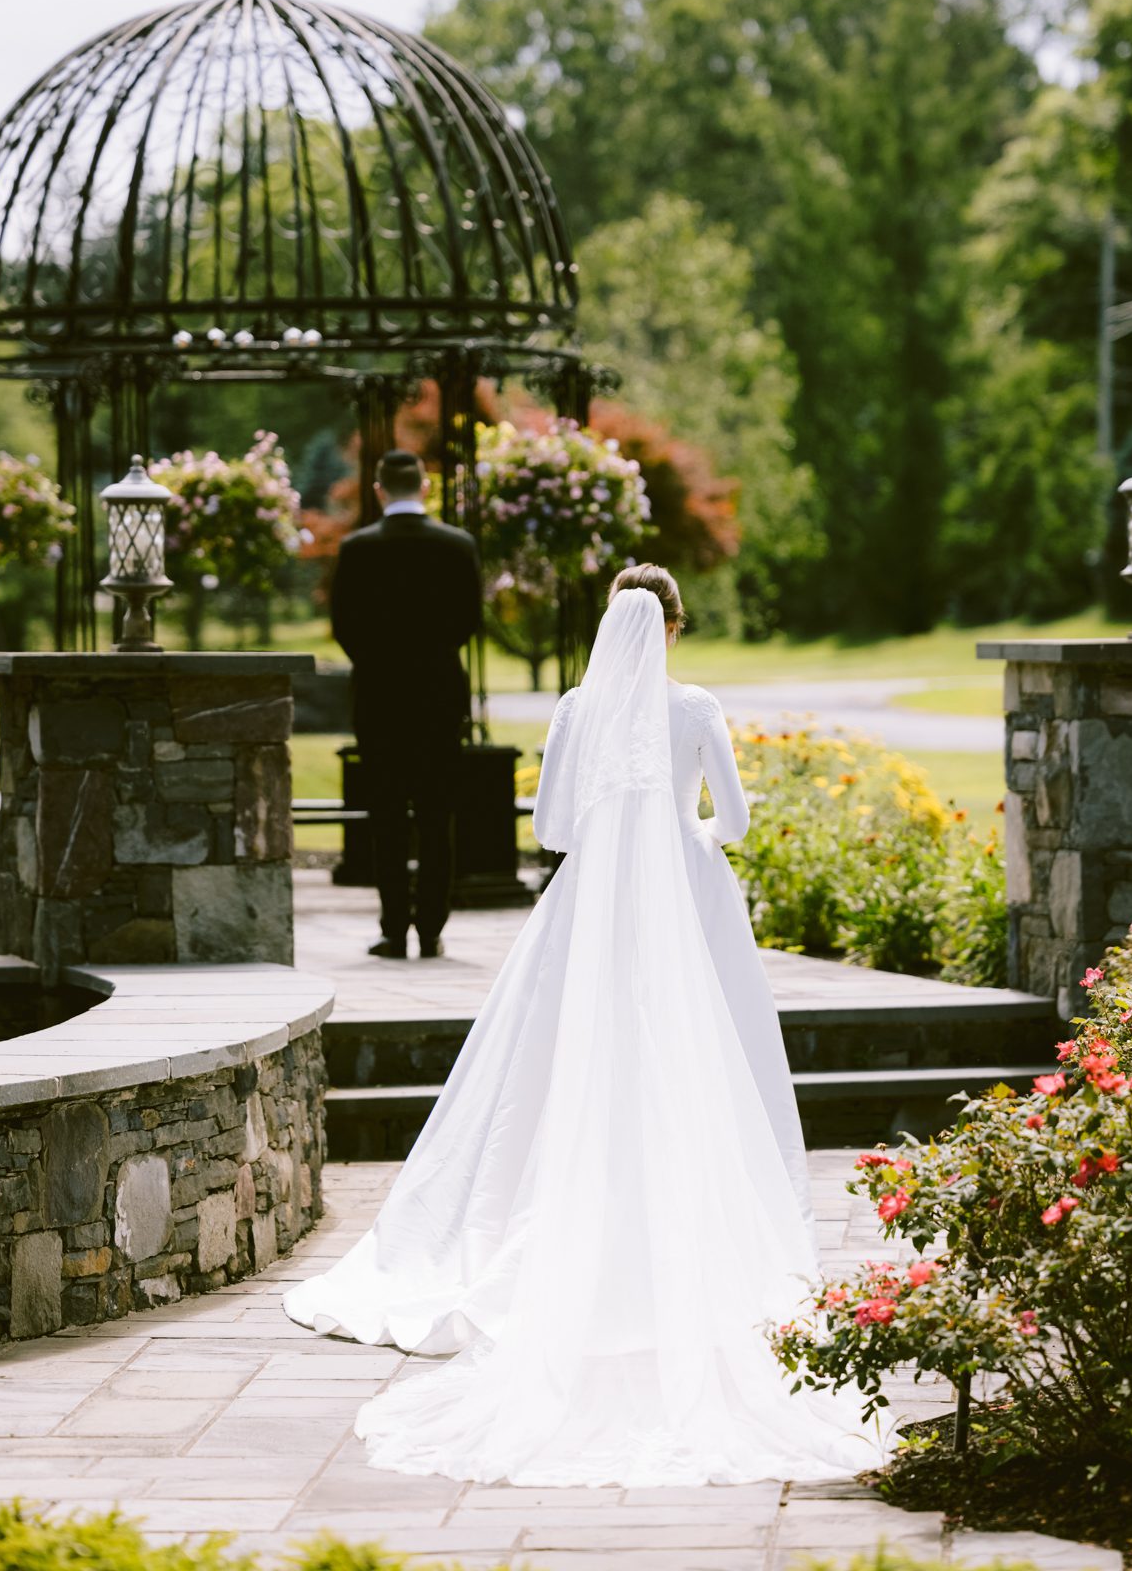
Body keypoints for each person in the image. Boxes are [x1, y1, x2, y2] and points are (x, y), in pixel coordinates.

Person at [283, 564, 878, 1485]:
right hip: (685, 900)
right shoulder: (697, 708)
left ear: (612, 627)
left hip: (588, 906)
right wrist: (688, 838)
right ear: (671, 627)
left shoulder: (571, 712)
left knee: (553, 1062)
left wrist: (617, 832)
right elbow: (740, 822)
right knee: (700, 1051)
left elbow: (553, 828)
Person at [330, 450, 482, 959]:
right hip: (440, 696)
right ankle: (432, 929)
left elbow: (345, 626)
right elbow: (467, 620)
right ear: (424, 487)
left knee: (388, 817)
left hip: (380, 700)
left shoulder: (357, 550)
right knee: (439, 817)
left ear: (378, 490)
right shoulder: (458, 547)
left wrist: (378, 665)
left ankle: (395, 928)